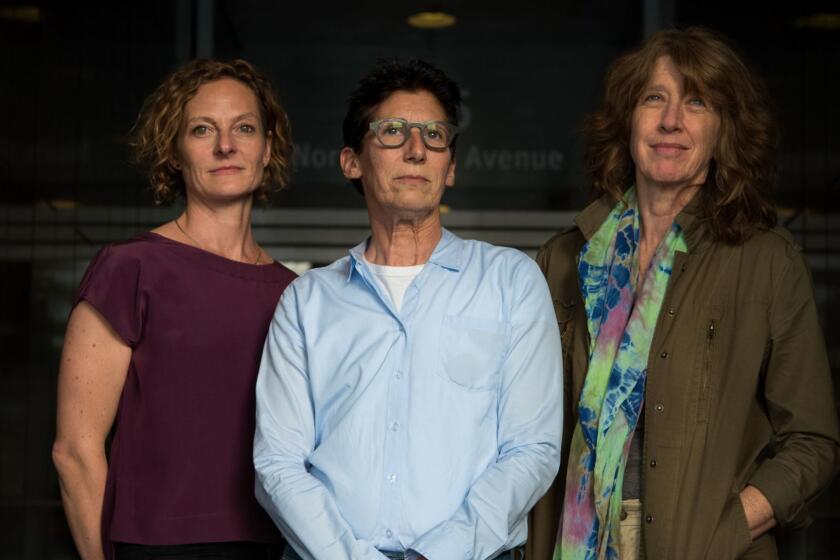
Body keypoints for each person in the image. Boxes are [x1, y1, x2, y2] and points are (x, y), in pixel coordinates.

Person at [528, 27, 840, 560]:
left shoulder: (765, 260)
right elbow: (532, 432)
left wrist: (729, 528)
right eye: (655, 98)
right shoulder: (565, 258)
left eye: (697, 102)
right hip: (574, 543)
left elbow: (813, 441)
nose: (671, 120)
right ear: (628, 120)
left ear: (724, 130)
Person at [254, 58, 563, 560]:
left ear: (452, 166)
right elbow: (277, 464)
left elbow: (533, 449)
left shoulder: (511, 282)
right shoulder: (307, 301)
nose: (417, 150)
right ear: (352, 161)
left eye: (435, 135)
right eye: (393, 132)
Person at [52, 59, 296, 560]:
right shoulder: (131, 269)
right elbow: (75, 452)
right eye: (202, 129)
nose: (225, 145)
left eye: (244, 128)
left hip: (274, 545)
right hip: (153, 546)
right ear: (175, 152)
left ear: (267, 148)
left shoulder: (295, 294)